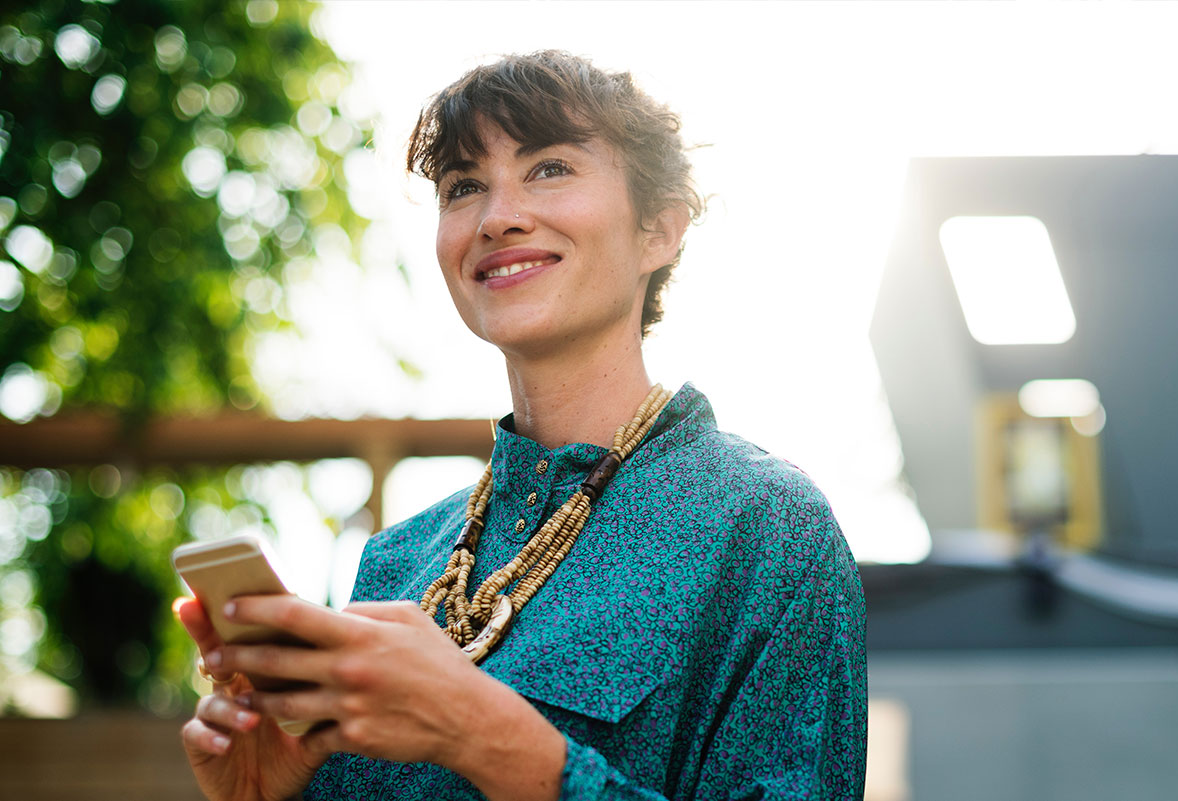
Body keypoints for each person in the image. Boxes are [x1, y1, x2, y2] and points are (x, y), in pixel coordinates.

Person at [178, 51, 867, 801]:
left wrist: (485, 733)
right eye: (464, 186)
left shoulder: (765, 528)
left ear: (659, 230)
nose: (498, 216)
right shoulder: (397, 564)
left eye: (549, 168)